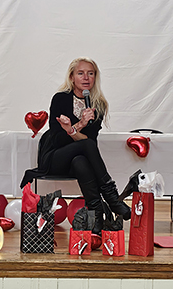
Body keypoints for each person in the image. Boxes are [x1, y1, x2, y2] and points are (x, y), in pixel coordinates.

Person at [20, 57, 131, 233]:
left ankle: (96, 218)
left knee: (81, 159)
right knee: (85, 146)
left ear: (95, 77)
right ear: (72, 77)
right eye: (80, 73)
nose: (86, 78)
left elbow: (90, 143)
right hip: (55, 157)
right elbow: (58, 139)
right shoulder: (60, 99)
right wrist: (80, 125)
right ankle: (112, 198)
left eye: (90, 73)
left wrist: (71, 130)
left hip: (75, 162)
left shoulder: (98, 105)